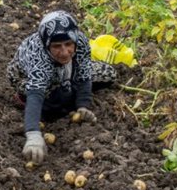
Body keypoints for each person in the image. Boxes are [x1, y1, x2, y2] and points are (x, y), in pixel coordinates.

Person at [7, 10, 117, 164]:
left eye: (68, 44)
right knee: (56, 102)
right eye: (57, 46)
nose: (65, 52)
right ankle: (22, 99)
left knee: (108, 74)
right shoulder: (38, 56)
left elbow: (84, 73)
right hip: (25, 78)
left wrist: (83, 105)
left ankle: (67, 88)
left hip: (65, 70)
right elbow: (36, 94)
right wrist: (33, 134)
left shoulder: (81, 42)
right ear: (47, 45)